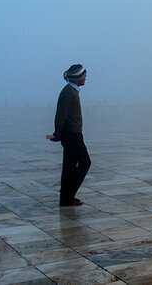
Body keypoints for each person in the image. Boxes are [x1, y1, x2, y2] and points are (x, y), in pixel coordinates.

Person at [45, 64, 91, 206]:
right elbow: (61, 114)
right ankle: (67, 195)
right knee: (84, 163)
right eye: (84, 75)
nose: (85, 78)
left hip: (74, 133)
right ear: (78, 78)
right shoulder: (68, 93)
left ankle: (66, 197)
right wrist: (57, 133)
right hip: (71, 135)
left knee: (70, 166)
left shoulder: (72, 91)